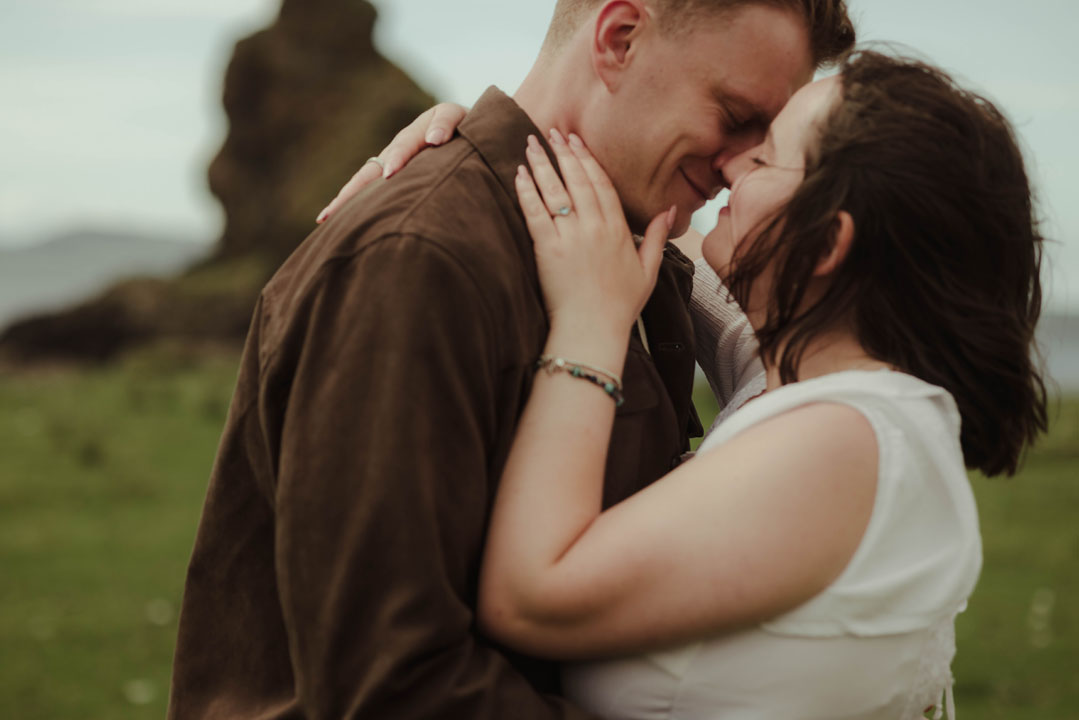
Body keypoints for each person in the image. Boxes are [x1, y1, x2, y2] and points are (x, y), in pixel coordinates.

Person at [167, 1, 855, 718]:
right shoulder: (418, 259)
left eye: (767, 136)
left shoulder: (627, 248)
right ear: (618, 39)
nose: (740, 162)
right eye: (736, 113)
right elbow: (392, 691)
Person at [322, 51, 1047, 718]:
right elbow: (629, 222)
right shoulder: (803, 384)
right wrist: (480, 148)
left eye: (764, 155)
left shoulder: (845, 440)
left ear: (827, 243)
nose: (730, 162)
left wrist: (588, 328)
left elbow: (531, 597)